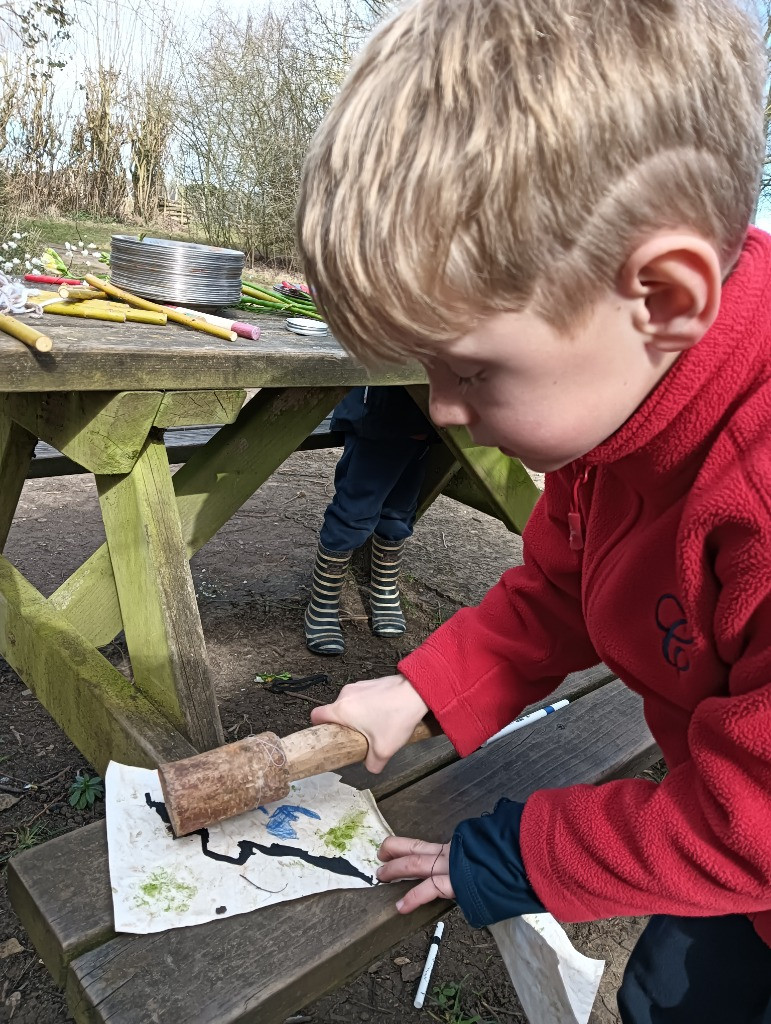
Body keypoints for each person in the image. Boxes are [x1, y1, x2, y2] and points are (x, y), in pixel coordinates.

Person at [294, 0, 771, 1020]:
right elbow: (559, 590)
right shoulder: (623, 413)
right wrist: (418, 693)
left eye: (469, 367)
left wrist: (521, 851)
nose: (444, 411)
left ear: (663, 296)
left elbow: (755, 822)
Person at [304, 385, 436, 655]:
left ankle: (385, 590)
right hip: (378, 411)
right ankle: (323, 603)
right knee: (353, 512)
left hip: (429, 415)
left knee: (399, 512)